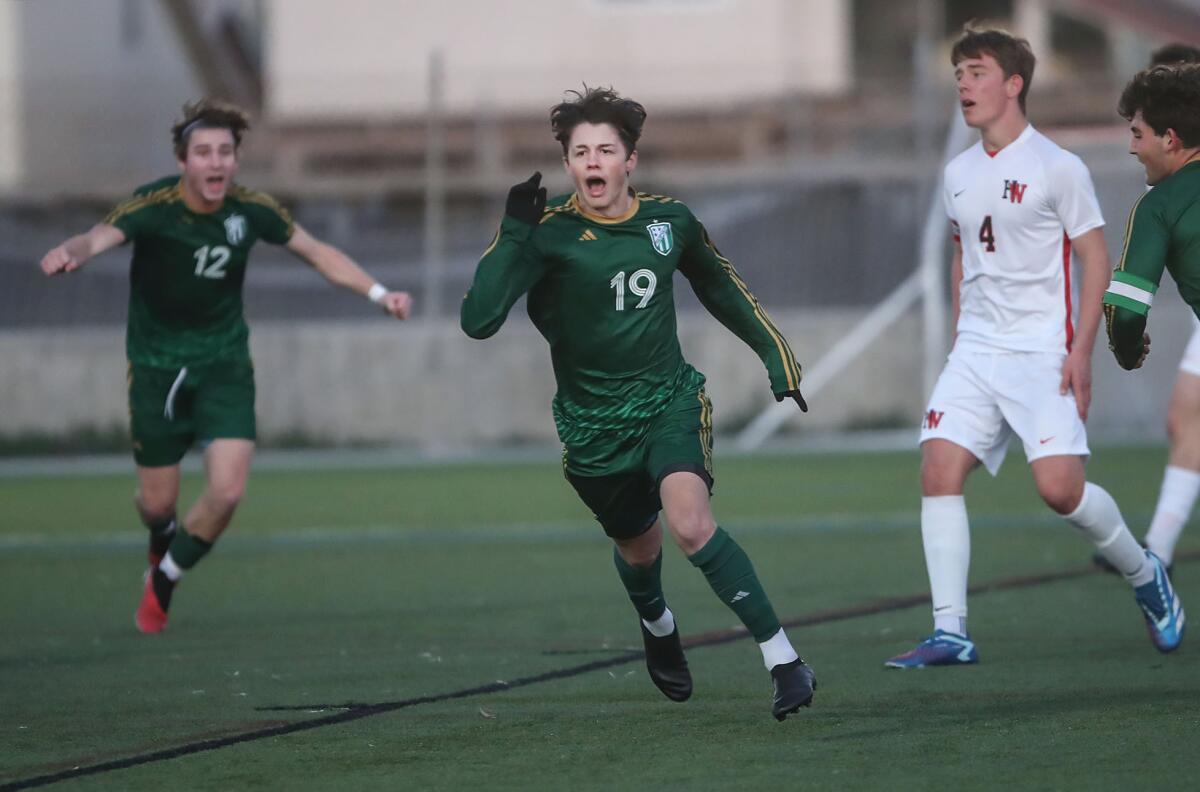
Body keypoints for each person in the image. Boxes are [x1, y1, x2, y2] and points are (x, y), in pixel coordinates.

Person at [460, 87, 815, 720]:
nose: (592, 161)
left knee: (689, 523)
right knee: (639, 550)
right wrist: (513, 231)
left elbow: (718, 284)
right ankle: (657, 623)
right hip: (592, 428)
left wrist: (774, 353)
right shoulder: (547, 236)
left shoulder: (668, 222)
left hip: (668, 401)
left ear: (630, 160)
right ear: (568, 165)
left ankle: (784, 659)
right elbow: (479, 319)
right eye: (579, 152)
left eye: (605, 149)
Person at [39, 99, 413, 634]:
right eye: (203, 153)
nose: (215, 164)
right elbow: (98, 236)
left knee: (228, 491)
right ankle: (161, 534)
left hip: (224, 364)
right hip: (156, 369)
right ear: (183, 160)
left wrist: (380, 293)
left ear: (235, 160)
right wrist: (71, 252)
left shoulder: (251, 209)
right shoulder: (154, 205)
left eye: (225, 153)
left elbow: (317, 251)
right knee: (155, 503)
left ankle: (166, 575)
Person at [886, 28, 1184, 669]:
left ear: (1013, 84)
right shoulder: (957, 173)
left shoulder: (1058, 166)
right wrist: (961, 339)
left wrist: (1081, 353)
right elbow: (963, 257)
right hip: (975, 354)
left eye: (976, 71)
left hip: (1040, 353)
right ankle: (951, 629)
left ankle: (1144, 574)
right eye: (958, 73)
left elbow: (1094, 257)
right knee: (938, 468)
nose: (963, 84)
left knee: (1060, 491)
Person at [1095, 43, 1200, 577]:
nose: (1132, 149)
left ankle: (1155, 551)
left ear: (1171, 139)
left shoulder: (1159, 204)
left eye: (1137, 134)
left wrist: (1129, 351)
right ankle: (1158, 544)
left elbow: (1127, 307)